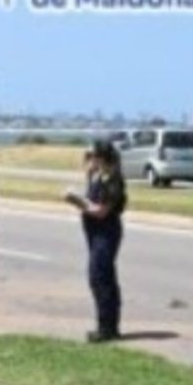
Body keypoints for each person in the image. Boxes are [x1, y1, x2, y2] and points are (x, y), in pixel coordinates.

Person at [68, 140, 128, 342]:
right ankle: (108, 325)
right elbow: (91, 191)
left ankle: (107, 327)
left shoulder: (114, 180)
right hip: (94, 232)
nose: (90, 159)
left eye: (93, 156)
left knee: (100, 277)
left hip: (106, 231)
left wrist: (75, 201)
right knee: (102, 276)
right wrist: (88, 170)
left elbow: (101, 211)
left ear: (102, 157)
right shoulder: (99, 176)